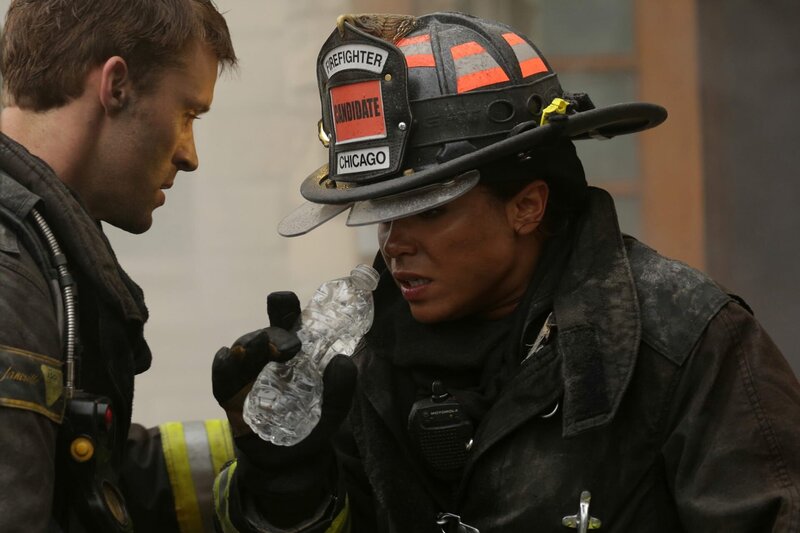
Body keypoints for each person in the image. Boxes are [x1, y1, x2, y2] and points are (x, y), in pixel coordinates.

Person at [210, 11, 800, 533]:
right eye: (383, 217)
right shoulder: (357, 364)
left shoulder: (686, 343)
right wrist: (287, 492)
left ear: (527, 206)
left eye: (429, 211)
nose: (394, 245)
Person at [0, 1, 240, 531]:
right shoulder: (9, 279)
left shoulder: (38, 255)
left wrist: (264, 452)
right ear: (116, 86)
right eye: (187, 113)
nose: (190, 154)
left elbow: (80, 473)